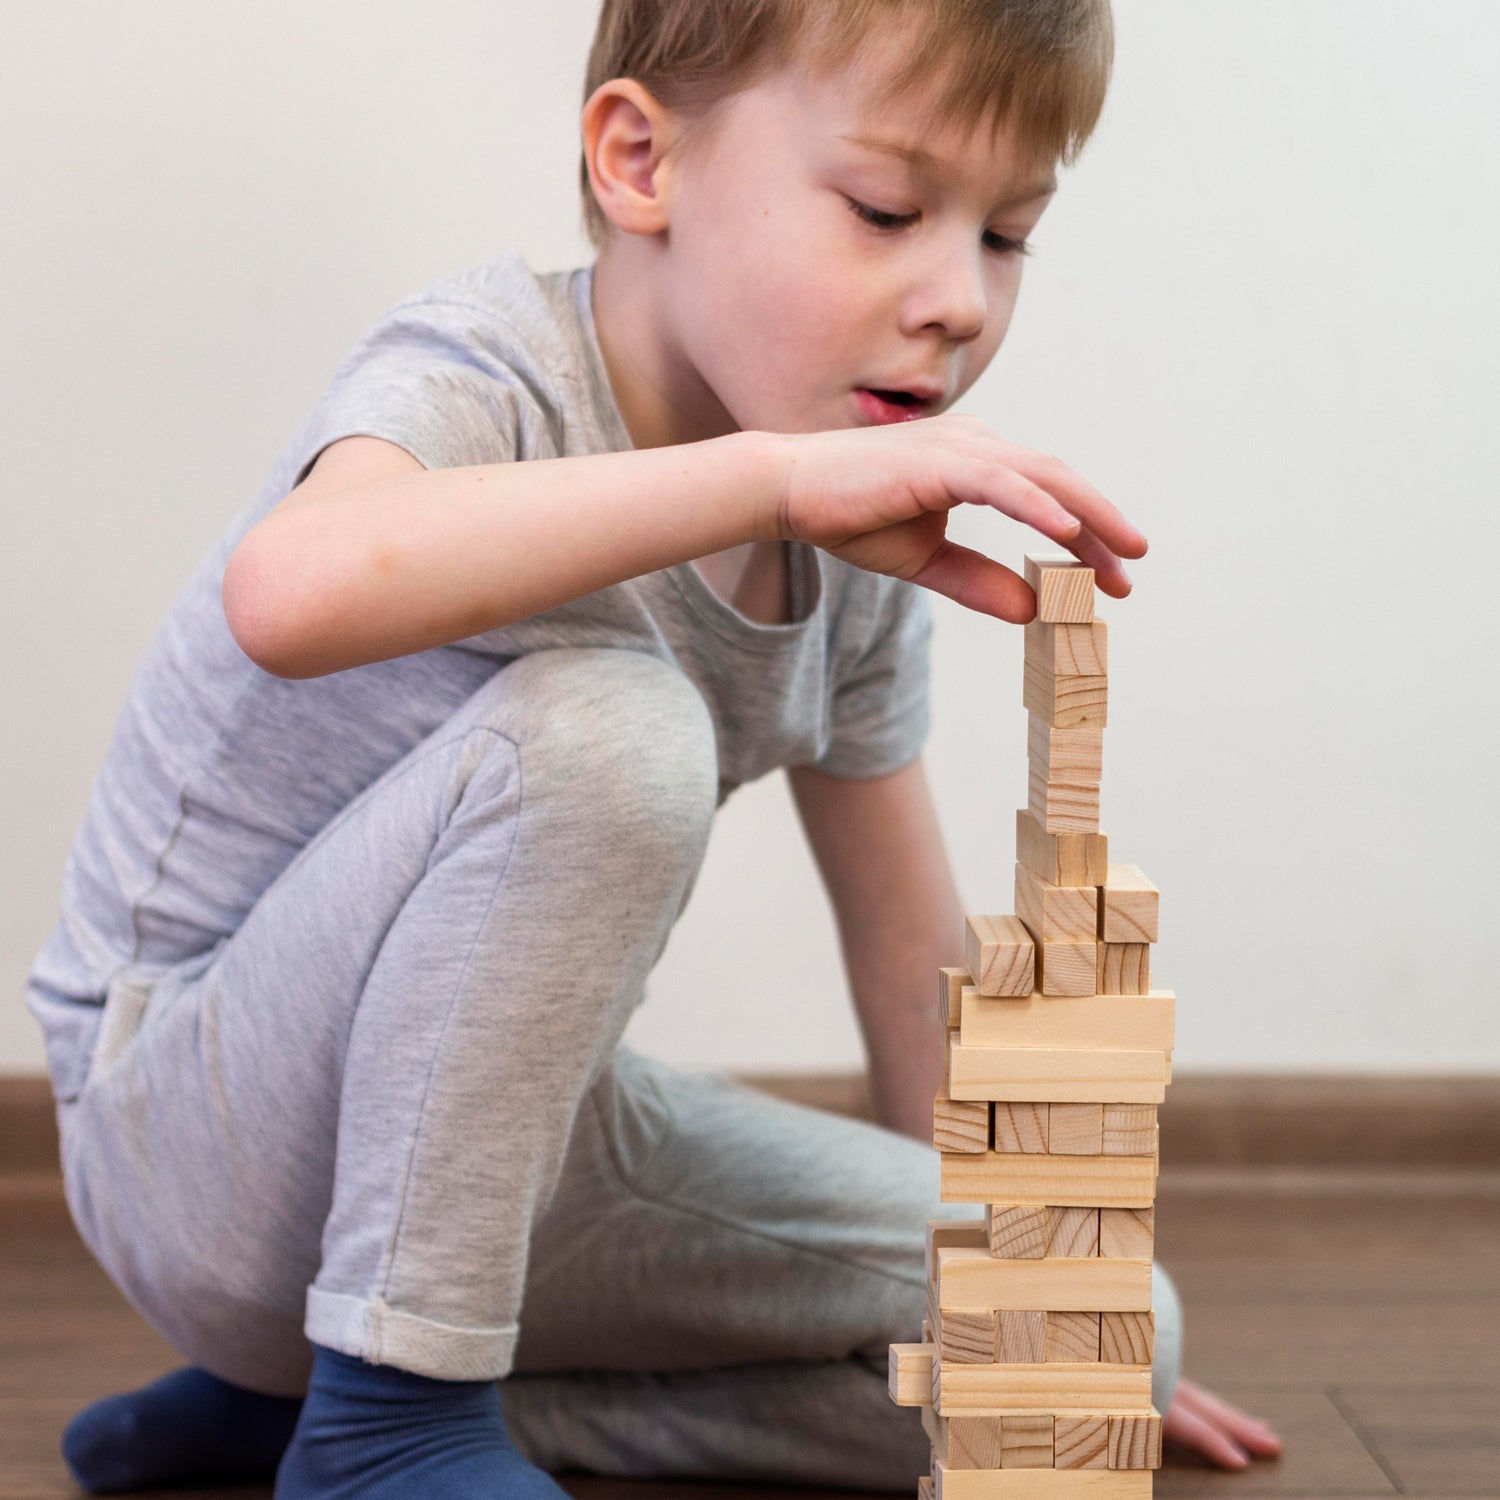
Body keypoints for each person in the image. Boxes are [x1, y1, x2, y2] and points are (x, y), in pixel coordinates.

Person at [28, 1, 1282, 1494]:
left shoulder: (857, 560)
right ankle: (386, 1423)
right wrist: (761, 483)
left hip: (485, 1175)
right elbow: (287, 589)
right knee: (617, 725)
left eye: (1005, 236)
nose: (956, 298)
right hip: (187, 1137)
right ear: (640, 162)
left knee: (1091, 1326)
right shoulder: (488, 368)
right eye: (887, 209)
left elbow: (909, 964)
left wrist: (1046, 1329)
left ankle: (329, 1405)